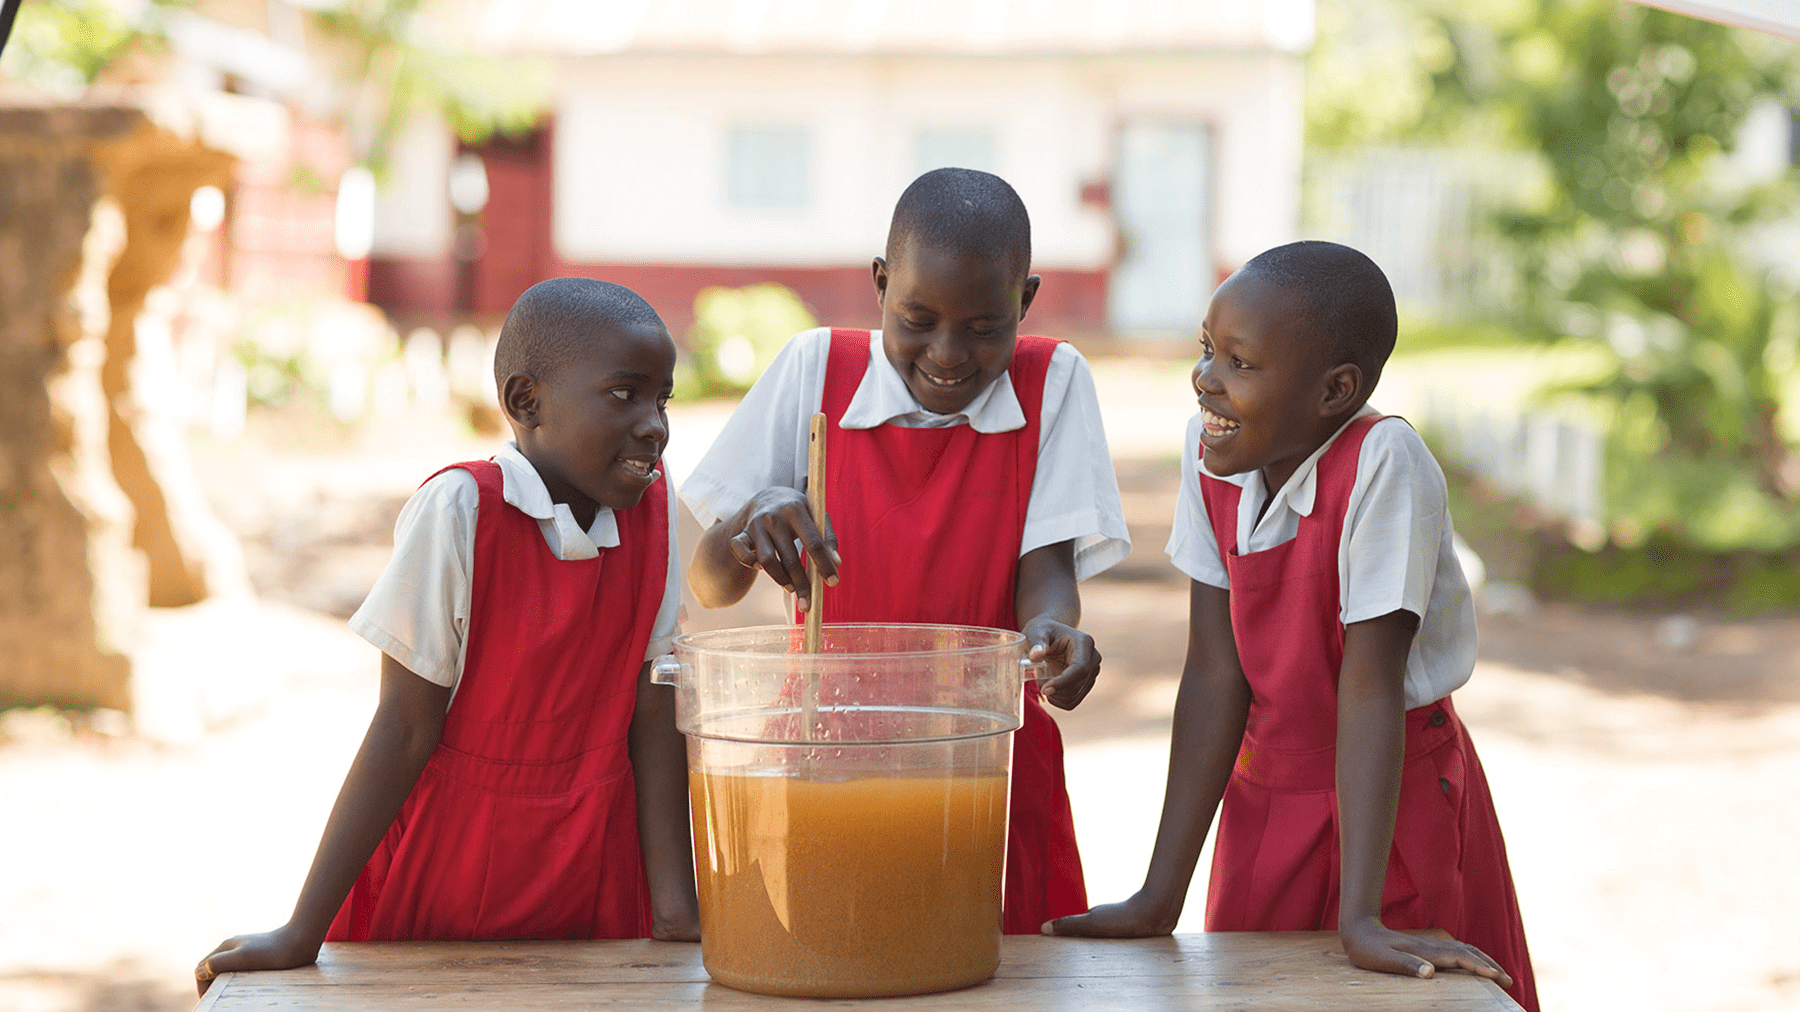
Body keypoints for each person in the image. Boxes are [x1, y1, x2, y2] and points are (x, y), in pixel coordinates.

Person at [1045, 241, 1539, 1012]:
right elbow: (1215, 672)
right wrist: (1158, 896)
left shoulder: (1384, 463)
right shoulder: (1209, 451)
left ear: (1335, 391)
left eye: (1240, 364)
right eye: (1208, 349)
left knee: (1388, 994)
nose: (1206, 378)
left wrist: (1363, 917)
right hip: (1265, 796)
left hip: (1389, 796)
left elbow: (1370, 687)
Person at [195, 278, 699, 994]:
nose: (655, 425)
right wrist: (301, 932)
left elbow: (656, 711)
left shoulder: (654, 514)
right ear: (527, 402)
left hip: (595, 862)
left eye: (663, 399)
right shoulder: (462, 511)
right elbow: (403, 726)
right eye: (625, 395)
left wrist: (675, 912)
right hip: (452, 861)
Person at [681, 167, 1130, 934]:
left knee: (996, 971)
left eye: (985, 326)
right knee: (834, 954)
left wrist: (1054, 635)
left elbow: (1046, 576)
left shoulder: (1053, 382)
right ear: (881, 284)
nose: (948, 353)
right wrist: (750, 526)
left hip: (988, 762)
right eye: (918, 317)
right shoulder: (813, 370)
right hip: (826, 758)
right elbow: (708, 584)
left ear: (1025, 301)